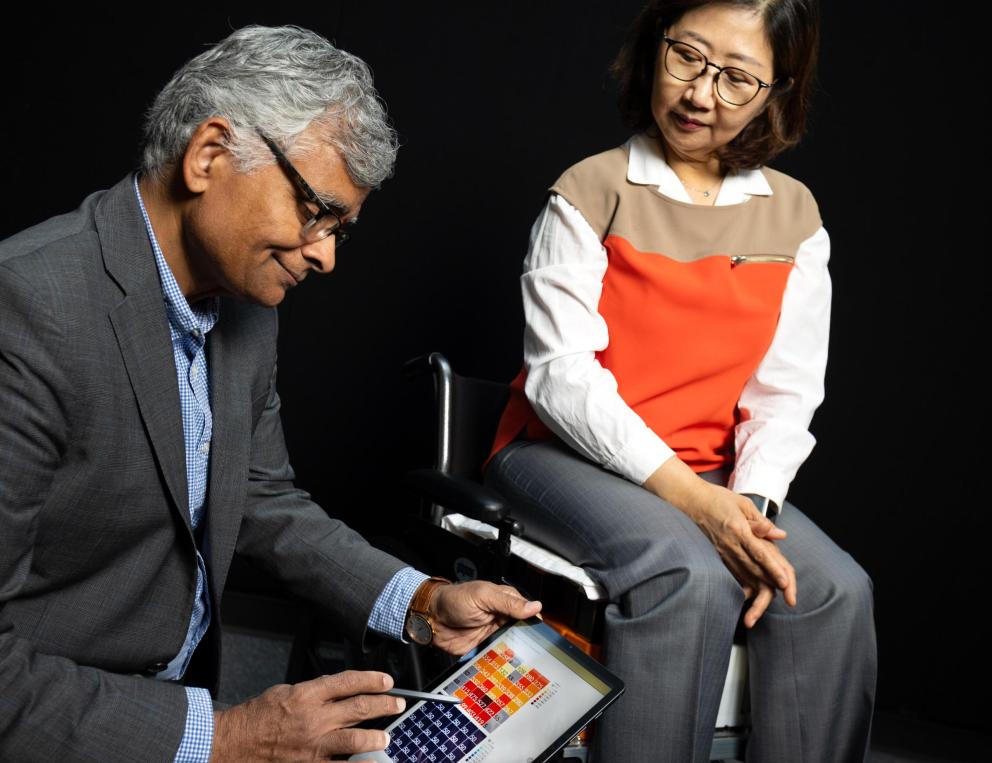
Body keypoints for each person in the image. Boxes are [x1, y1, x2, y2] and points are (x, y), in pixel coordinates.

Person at [0, 25, 541, 763]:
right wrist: (228, 736)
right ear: (208, 156)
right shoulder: (24, 310)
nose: (323, 255)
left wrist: (420, 603)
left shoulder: (247, 306)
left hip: (186, 700)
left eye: (340, 231)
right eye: (316, 213)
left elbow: (260, 497)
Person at [484, 1, 876, 761]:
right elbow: (563, 381)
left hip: (717, 474)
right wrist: (703, 508)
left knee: (833, 591)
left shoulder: (795, 218)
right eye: (687, 58)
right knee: (688, 570)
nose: (701, 93)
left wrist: (751, 515)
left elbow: (783, 394)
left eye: (737, 78)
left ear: (776, 92)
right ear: (652, 49)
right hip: (558, 456)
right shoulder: (589, 191)